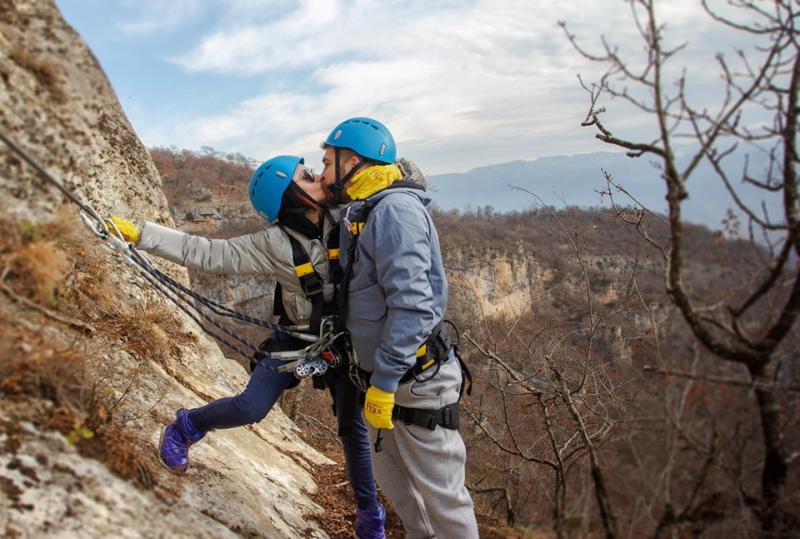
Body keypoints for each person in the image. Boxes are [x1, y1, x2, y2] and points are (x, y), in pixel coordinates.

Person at [107, 155, 386, 538]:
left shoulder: (347, 215)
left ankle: (370, 517)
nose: (318, 175)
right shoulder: (273, 242)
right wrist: (139, 234)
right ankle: (186, 426)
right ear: (290, 197)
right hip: (296, 339)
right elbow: (207, 252)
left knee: (353, 429)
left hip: (342, 342)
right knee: (251, 407)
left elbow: (392, 202)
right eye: (306, 175)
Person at [320, 117, 479, 538]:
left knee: (443, 504)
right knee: (408, 497)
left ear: (352, 161)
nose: (323, 172)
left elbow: (414, 307)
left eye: (328, 162)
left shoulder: (394, 212)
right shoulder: (365, 208)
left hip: (413, 383)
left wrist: (386, 381)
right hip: (386, 382)